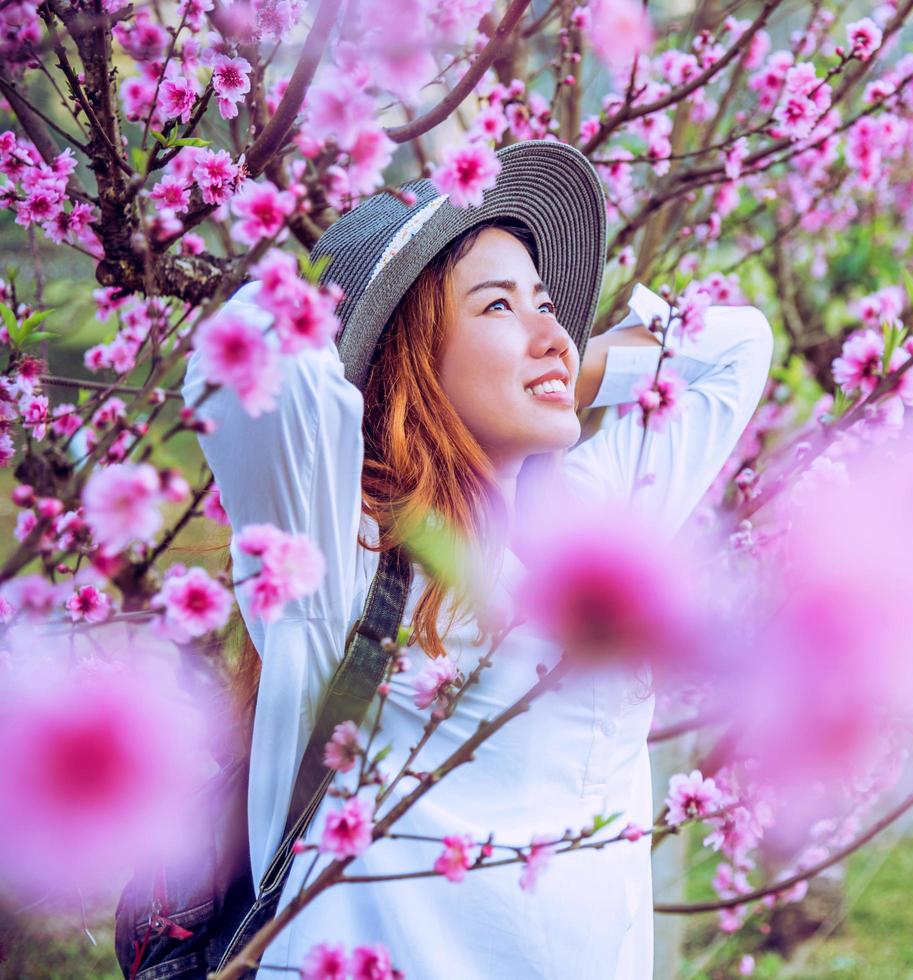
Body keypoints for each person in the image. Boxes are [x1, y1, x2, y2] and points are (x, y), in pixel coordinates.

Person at [183, 140, 774, 977]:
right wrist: (388, 345)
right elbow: (240, 357)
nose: (551, 331)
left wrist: (557, 366)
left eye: (547, 302)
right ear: (413, 358)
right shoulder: (348, 555)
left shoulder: (591, 537)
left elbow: (738, 346)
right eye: (498, 306)